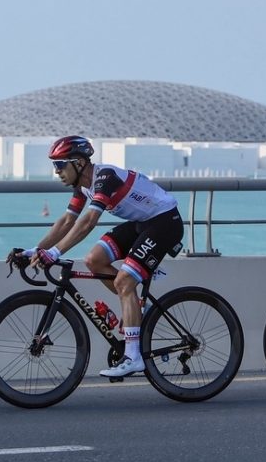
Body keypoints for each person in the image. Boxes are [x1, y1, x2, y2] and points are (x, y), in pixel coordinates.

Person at [28, 135, 184, 378]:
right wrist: (36, 250)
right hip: (142, 222)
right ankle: (137, 309)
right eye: (54, 165)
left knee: (124, 281)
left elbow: (88, 222)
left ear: (79, 163)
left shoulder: (105, 178)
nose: (56, 171)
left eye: (60, 165)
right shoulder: (83, 186)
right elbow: (67, 221)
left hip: (164, 222)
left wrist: (55, 252)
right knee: (94, 260)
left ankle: (133, 357)